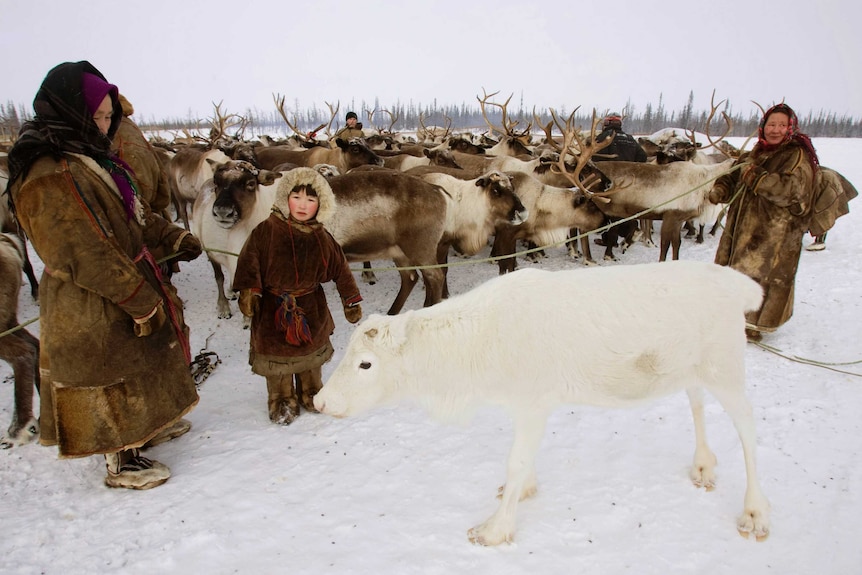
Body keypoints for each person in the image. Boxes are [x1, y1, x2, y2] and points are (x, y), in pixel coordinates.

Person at [6, 61, 202, 489]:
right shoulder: (46, 172)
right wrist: (136, 296)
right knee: (112, 370)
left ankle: (146, 428)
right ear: (66, 108)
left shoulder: (93, 159)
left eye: (110, 115)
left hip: (125, 276)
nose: (104, 123)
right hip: (91, 295)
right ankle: (121, 459)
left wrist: (174, 237)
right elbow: (80, 250)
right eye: (96, 115)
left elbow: (134, 217)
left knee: (143, 359)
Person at [232, 167, 362, 425]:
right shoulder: (266, 231)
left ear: (320, 204)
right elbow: (250, 261)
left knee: (310, 357)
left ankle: (311, 390)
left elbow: (341, 269)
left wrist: (351, 299)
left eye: (311, 200)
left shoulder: (322, 237)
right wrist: (250, 291)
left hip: (311, 307)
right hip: (273, 309)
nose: (303, 205)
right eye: (297, 197)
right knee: (278, 362)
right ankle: (280, 398)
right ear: (285, 197)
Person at [708, 103, 820, 341]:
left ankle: (754, 326)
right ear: (763, 127)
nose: (775, 130)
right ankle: (732, 318)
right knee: (735, 274)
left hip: (774, 235)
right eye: (771, 124)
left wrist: (758, 178)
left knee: (762, 277)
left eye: (781, 125)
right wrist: (721, 189)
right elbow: (735, 176)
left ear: (790, 128)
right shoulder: (755, 153)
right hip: (743, 229)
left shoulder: (797, 156)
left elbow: (793, 191)